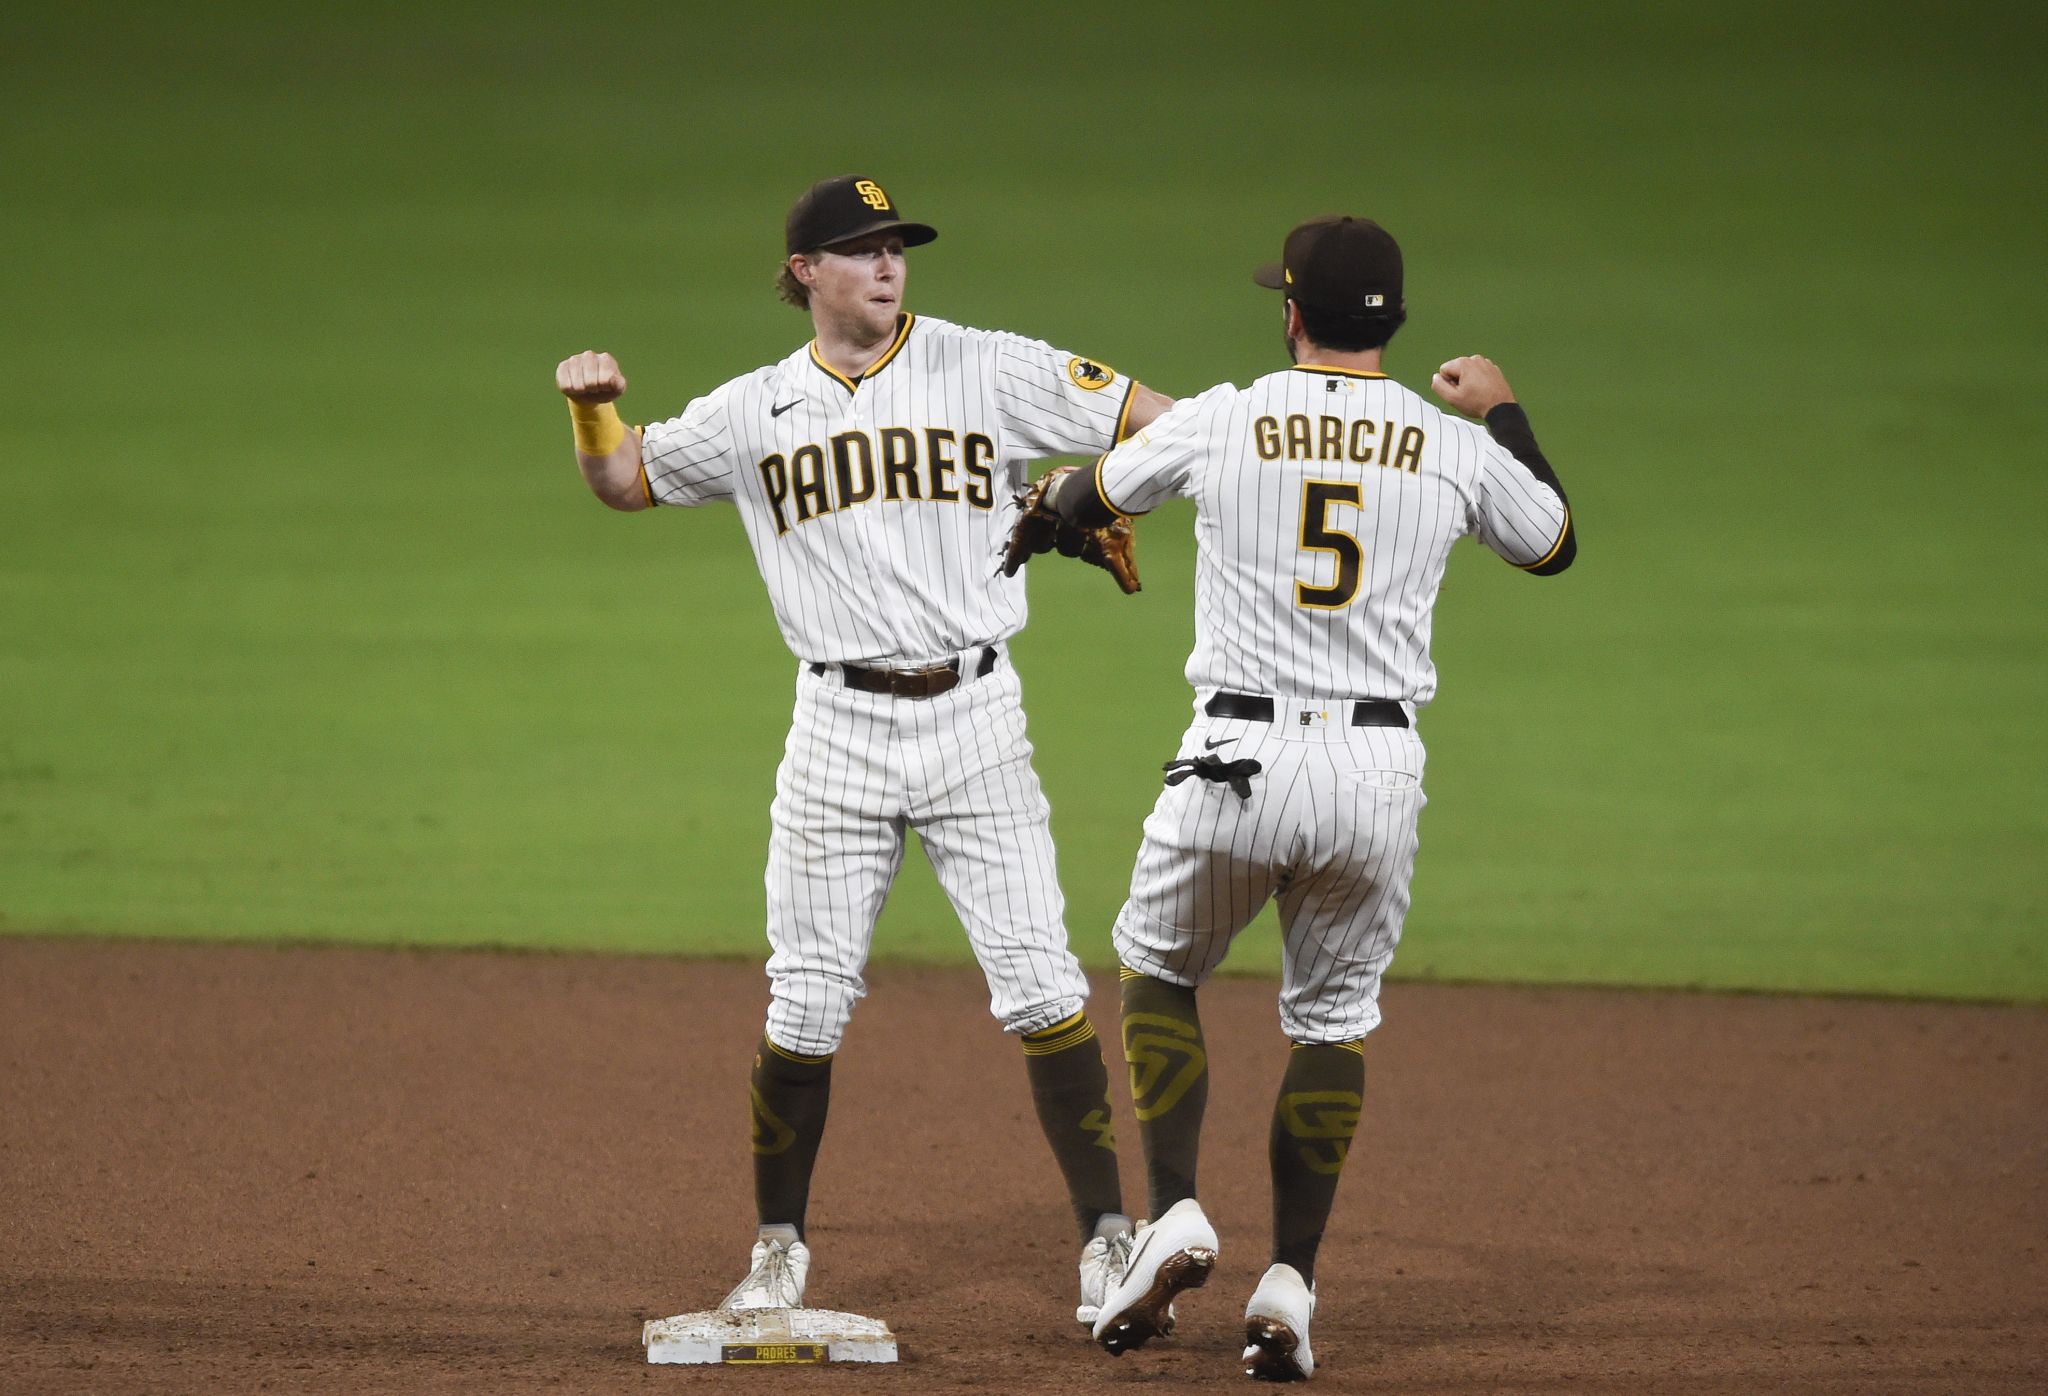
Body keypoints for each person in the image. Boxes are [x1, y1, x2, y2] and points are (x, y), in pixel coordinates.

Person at [552, 174, 1176, 1327]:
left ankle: (1107, 1240)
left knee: (1040, 980)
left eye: (896, 247)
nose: (887, 266)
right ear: (804, 272)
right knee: (803, 1001)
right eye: (860, 249)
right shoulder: (752, 410)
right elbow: (625, 480)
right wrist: (592, 409)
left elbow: (1160, 416)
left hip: (976, 719)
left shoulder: (988, 364)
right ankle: (777, 1249)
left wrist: (1094, 484)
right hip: (835, 727)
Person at [1017, 214, 1576, 1380]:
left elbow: (1088, 496)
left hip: (1234, 758)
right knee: (1329, 1022)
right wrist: (1500, 408)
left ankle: (1171, 1212)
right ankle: (1291, 1284)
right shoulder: (1452, 443)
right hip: (1375, 775)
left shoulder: (1226, 413)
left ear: (1288, 314)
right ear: (1396, 324)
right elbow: (1553, 542)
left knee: (1157, 969)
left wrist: (1051, 507)